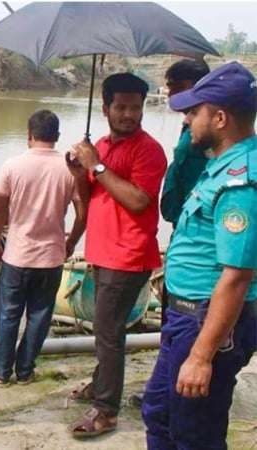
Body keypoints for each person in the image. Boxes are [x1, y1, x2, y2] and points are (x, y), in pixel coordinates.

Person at [142, 61, 257, 450]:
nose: (187, 120)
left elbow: (237, 276)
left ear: (220, 118)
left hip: (205, 321)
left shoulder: (241, 181)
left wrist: (202, 356)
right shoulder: (217, 167)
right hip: (184, 316)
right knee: (158, 412)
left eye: (194, 112)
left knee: (196, 434)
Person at [66, 73, 167, 437]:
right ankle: (99, 387)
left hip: (128, 255)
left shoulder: (148, 149)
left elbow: (139, 200)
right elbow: (88, 194)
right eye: (121, 107)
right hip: (103, 251)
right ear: (105, 107)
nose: (128, 114)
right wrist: (79, 169)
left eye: (135, 108)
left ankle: (106, 410)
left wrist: (97, 166)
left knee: (109, 334)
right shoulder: (103, 146)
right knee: (104, 330)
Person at [0, 110, 88, 386]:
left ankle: (1, 372)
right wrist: (70, 242)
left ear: (29, 135)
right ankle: (25, 371)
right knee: (40, 316)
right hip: (51, 257)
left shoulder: (12, 166)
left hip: (17, 255)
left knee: (8, 314)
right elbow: (83, 213)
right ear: (56, 137)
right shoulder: (70, 169)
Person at [161, 59, 212, 227]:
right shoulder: (189, 126)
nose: (170, 94)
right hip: (183, 220)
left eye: (178, 87)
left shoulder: (211, 130)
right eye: (169, 87)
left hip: (199, 224)